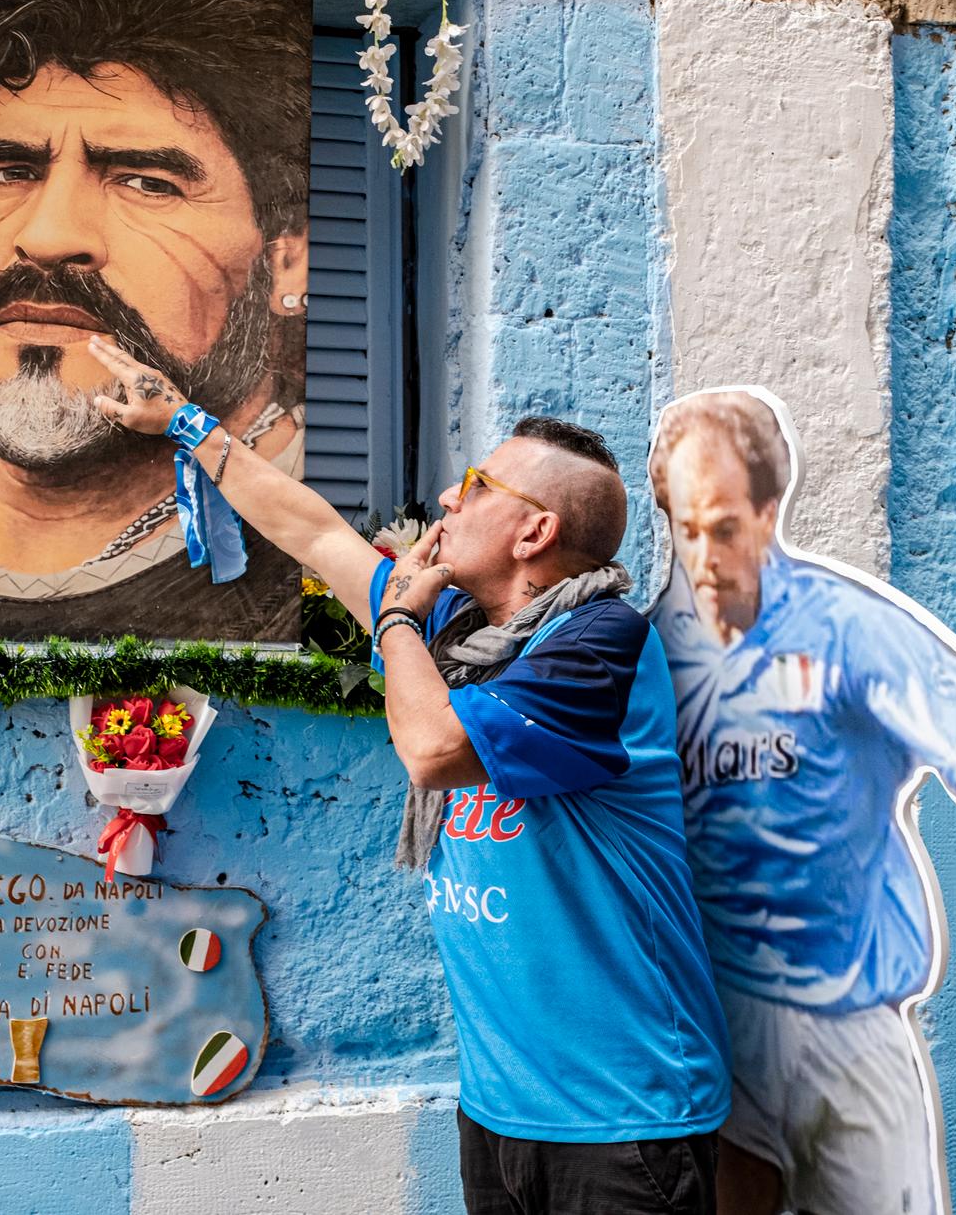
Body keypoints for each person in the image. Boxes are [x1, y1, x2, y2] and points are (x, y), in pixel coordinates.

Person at [86, 334, 731, 1214]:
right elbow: (313, 531)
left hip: (624, 1121)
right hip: (504, 1111)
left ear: (534, 530)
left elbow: (431, 750)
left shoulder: (599, 641)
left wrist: (396, 618)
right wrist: (184, 421)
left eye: (476, 487)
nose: (446, 499)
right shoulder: (459, 632)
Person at [648, 388, 956, 1215]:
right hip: (711, 1025)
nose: (704, 558)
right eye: (687, 530)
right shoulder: (645, 653)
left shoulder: (844, 629)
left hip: (846, 1027)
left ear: (769, 513)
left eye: (726, 529)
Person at [0, 0, 312, 643]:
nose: (48, 237)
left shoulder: (318, 557)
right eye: (6, 171)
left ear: (285, 264)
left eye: (147, 182)